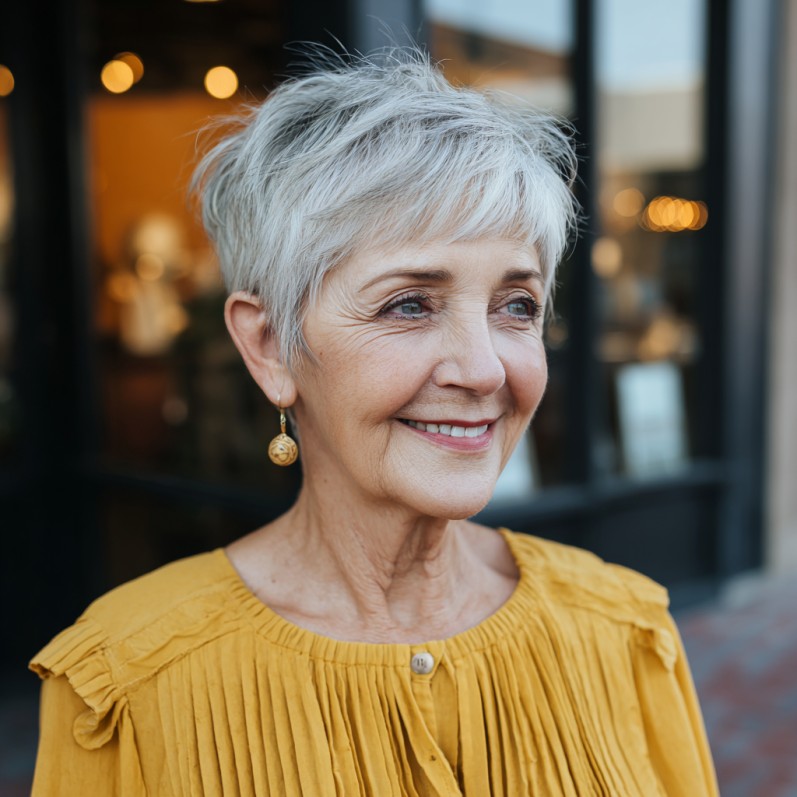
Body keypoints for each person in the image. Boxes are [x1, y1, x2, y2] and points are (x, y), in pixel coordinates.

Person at [29, 49, 718, 796]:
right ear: (268, 346)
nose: (485, 369)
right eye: (408, 304)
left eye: (515, 305)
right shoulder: (127, 680)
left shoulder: (625, 630)